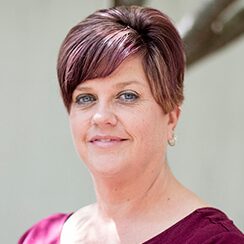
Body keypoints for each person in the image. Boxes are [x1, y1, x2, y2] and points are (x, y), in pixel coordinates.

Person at [19, 5, 244, 244]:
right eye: (86, 98)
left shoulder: (214, 240)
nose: (101, 116)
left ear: (171, 116)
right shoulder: (41, 237)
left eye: (127, 95)